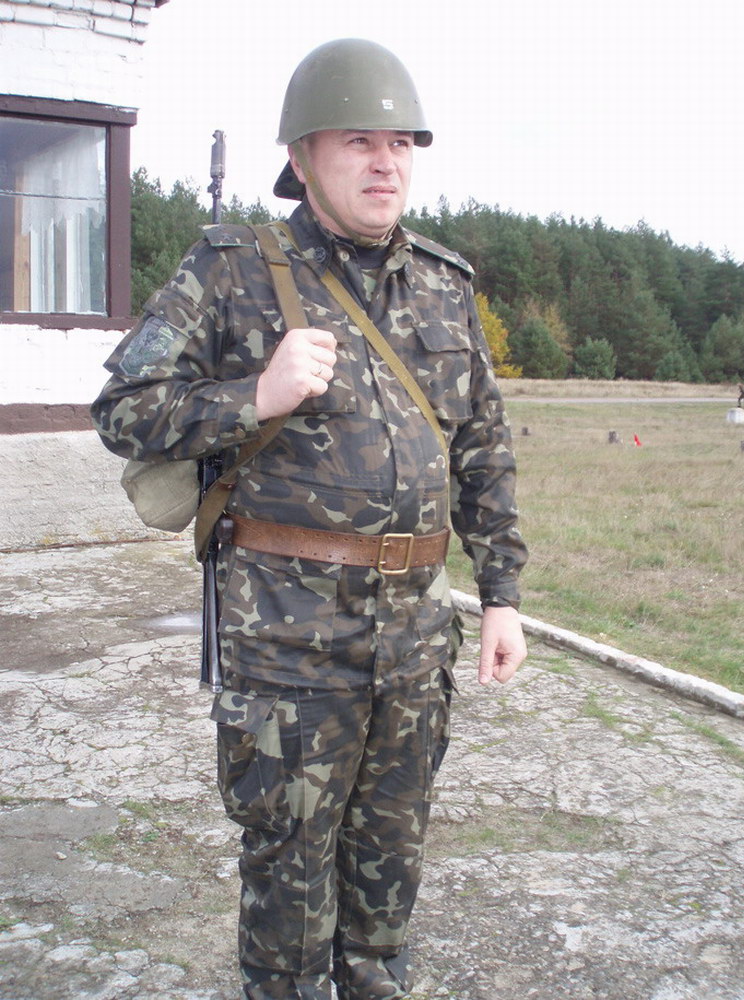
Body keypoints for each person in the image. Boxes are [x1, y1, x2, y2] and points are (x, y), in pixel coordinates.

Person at [92, 38, 528, 1000]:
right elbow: (122, 408)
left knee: (389, 873)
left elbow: (483, 449)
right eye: (359, 141)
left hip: (415, 641)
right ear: (302, 156)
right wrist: (254, 395)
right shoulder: (234, 269)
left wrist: (501, 595)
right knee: (289, 881)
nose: (386, 164)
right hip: (287, 647)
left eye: (401, 145)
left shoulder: (445, 284)